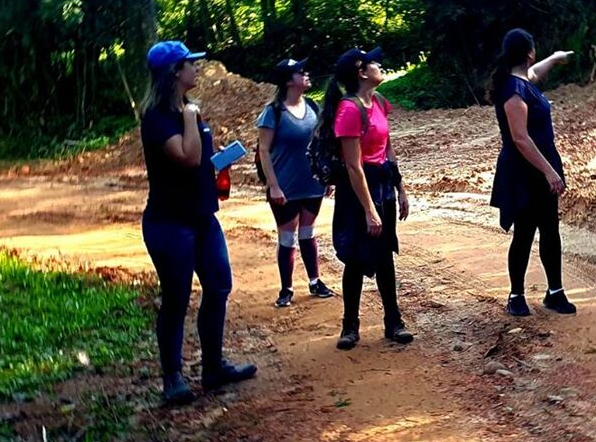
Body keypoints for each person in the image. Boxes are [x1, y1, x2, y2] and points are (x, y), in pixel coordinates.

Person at [139, 40, 257, 406]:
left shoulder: (190, 110)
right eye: (190, 63)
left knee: (219, 286)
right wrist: (191, 119)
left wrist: (218, 165)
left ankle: (213, 367)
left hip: (203, 217)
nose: (197, 68)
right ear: (175, 71)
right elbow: (188, 158)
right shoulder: (158, 117)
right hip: (169, 223)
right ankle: (172, 378)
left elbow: (200, 160)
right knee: (176, 297)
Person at [319, 47, 413, 349]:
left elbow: (388, 148)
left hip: (383, 187)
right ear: (361, 73)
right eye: (373, 63)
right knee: (357, 257)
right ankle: (350, 326)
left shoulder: (379, 102)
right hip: (358, 192)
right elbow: (353, 166)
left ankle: (393, 322)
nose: (379, 65)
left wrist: (400, 188)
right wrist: (369, 210)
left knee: (384, 255)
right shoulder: (349, 109)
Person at [489, 28, 578, 317]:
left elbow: (535, 73)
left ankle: (555, 292)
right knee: (525, 232)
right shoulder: (513, 91)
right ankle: (516, 295)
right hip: (524, 171)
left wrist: (554, 58)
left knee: (550, 229)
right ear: (529, 52)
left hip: (538, 166)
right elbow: (520, 139)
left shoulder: (520, 81)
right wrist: (550, 172)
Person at [256, 58, 335, 308]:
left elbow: (321, 142)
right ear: (289, 81)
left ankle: (315, 281)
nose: (306, 74)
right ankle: (286, 289)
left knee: (308, 232)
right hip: (285, 187)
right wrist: (273, 185)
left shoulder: (312, 106)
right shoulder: (273, 112)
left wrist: (327, 175)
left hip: (311, 184)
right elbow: (263, 150)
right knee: (287, 237)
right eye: (301, 72)